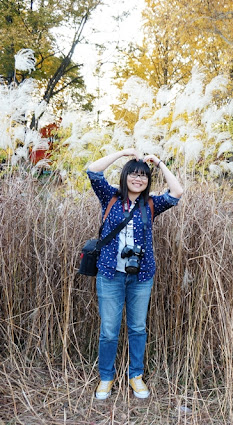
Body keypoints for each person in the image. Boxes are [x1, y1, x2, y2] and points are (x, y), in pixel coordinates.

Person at [87, 148, 183, 400]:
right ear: (126, 176)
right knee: (109, 330)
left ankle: (136, 376)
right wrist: (123, 153)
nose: (138, 179)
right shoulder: (109, 196)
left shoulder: (151, 204)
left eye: (143, 176)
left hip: (141, 277)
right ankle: (106, 377)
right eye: (134, 174)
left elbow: (177, 192)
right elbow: (93, 170)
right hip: (110, 274)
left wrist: (159, 162)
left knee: (138, 328)